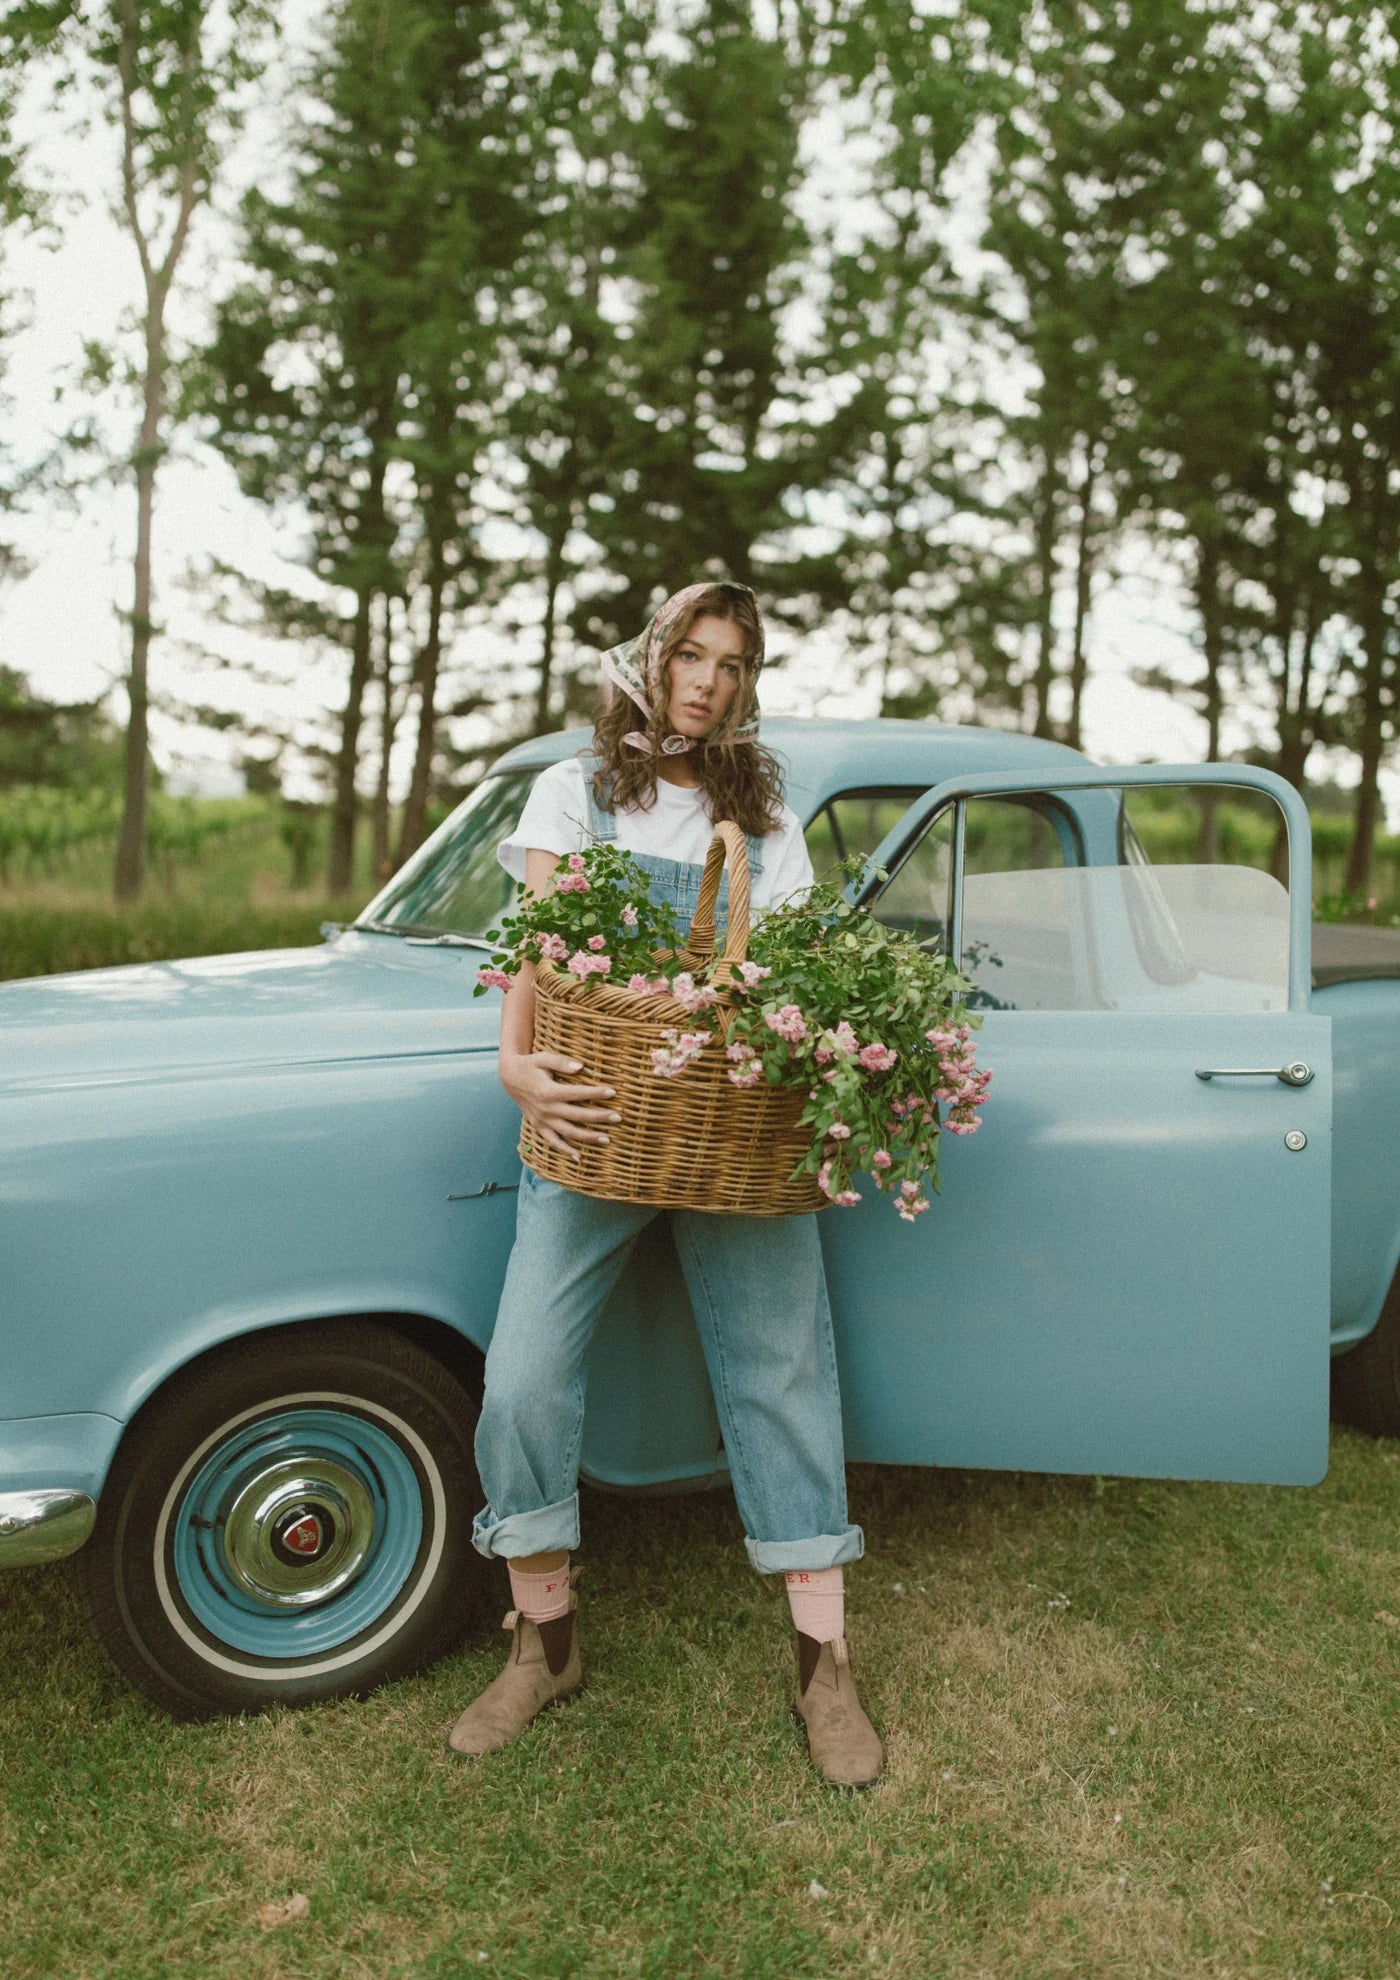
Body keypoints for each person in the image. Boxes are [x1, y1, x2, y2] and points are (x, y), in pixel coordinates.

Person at [447, 580, 883, 1789]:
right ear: (651, 658)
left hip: (727, 1131)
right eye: (688, 655)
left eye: (731, 665)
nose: (704, 680)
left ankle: (823, 1666)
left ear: (749, 684)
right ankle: (543, 1641)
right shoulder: (572, 791)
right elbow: (537, 948)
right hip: (593, 1119)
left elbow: (791, 965)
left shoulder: (766, 813)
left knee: (782, 1374)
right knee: (523, 1379)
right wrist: (513, 1067)